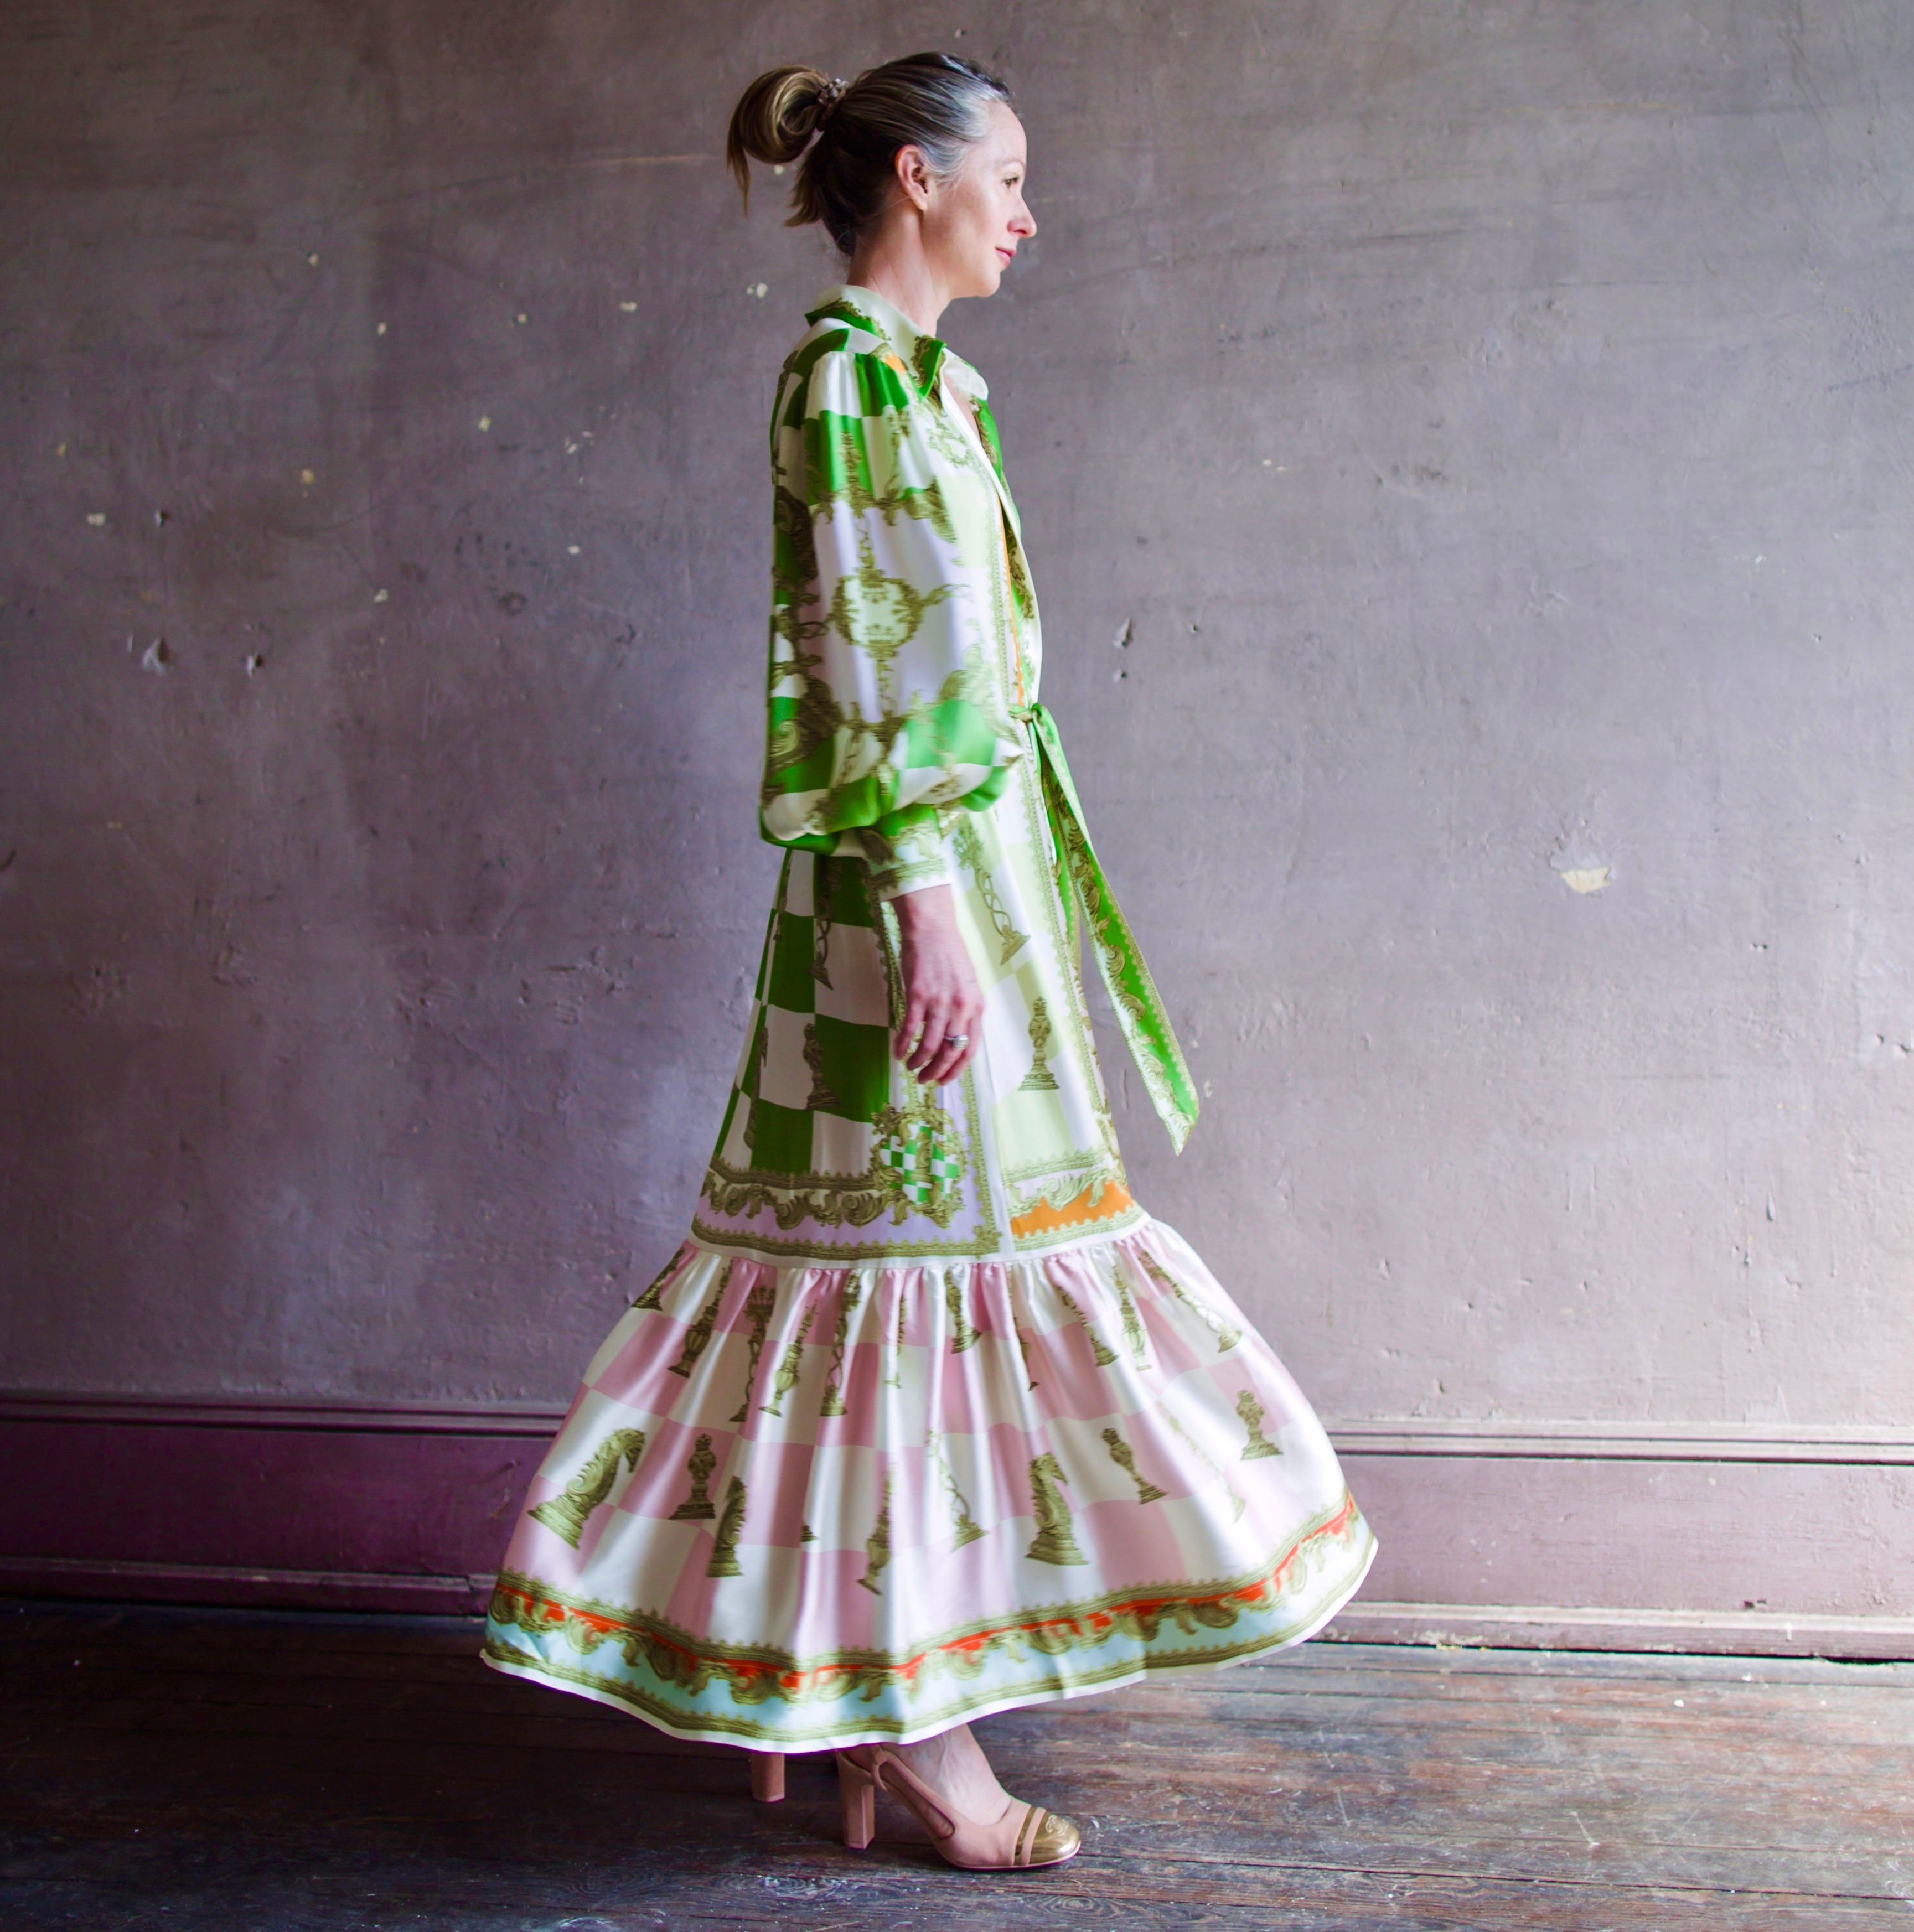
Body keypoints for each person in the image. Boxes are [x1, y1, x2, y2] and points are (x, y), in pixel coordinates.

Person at [482, 50, 1374, 1872]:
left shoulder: (928, 387)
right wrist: (921, 895)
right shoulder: (846, 386)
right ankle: (913, 1744)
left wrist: (978, 887)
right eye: (1011, 177)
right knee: (898, 1293)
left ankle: (883, 1727)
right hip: (915, 901)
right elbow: (858, 653)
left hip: (975, 881)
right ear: (913, 179)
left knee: (943, 1277)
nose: (1029, 212)